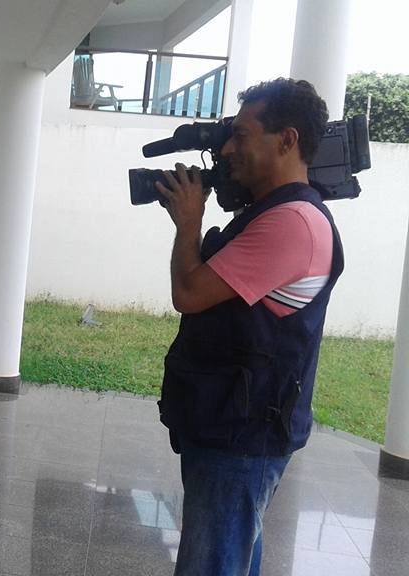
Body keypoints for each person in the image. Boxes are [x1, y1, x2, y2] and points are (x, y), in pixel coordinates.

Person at [154, 78, 343, 576]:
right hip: (232, 424)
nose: (229, 148)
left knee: (210, 566)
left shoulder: (291, 223)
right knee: (231, 559)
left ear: (287, 140)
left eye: (242, 135)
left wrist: (189, 223)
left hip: (242, 436)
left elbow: (189, 294)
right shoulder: (269, 213)